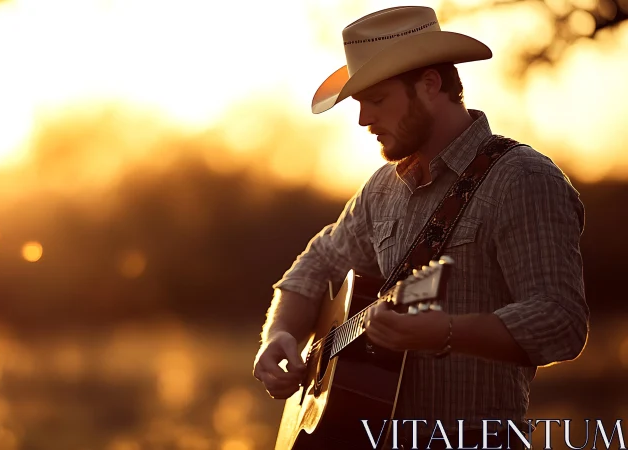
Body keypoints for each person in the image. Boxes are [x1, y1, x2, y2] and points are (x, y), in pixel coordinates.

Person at [252, 5, 589, 449]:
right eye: (359, 104)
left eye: (377, 100)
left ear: (430, 84)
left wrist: (446, 332)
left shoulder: (522, 179)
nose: (362, 120)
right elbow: (314, 267)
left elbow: (560, 321)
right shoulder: (382, 189)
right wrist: (278, 336)